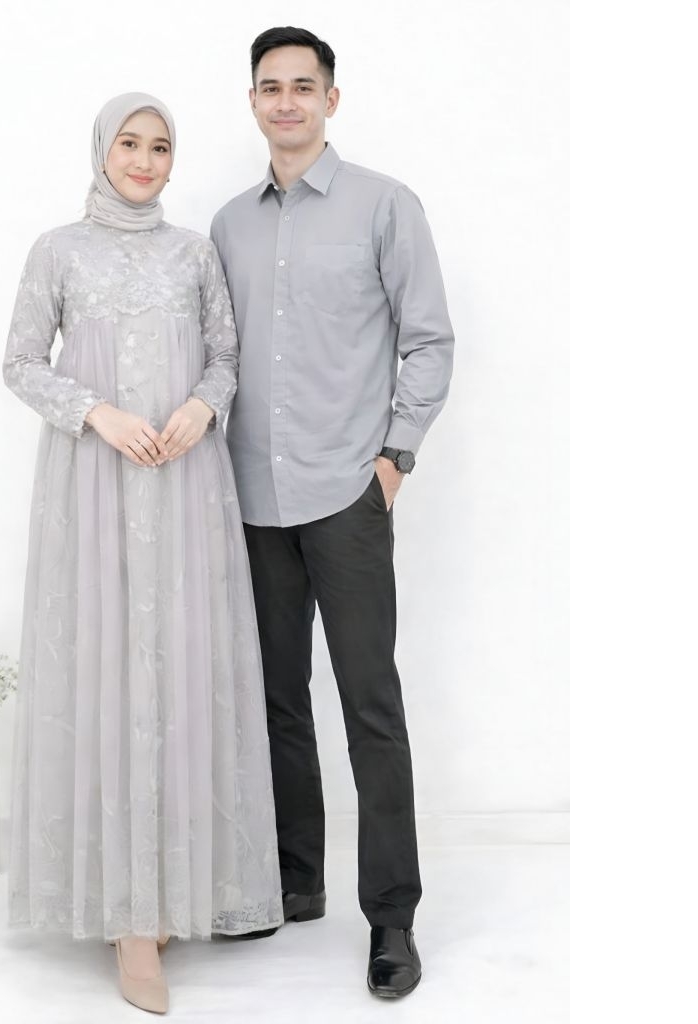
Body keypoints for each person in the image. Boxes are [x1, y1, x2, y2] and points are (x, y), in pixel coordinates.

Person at [2, 92, 283, 1015]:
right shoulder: (58, 250)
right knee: (108, 669)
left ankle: (166, 887)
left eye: (160, 147)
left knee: (178, 673)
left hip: (185, 485)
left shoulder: (194, 252)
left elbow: (226, 358)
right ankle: (127, 916)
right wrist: (98, 414)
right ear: (102, 150)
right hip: (93, 486)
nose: (145, 160)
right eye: (130, 143)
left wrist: (201, 407)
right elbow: (20, 362)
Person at [211, 27, 455, 999]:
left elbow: (428, 339)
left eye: (302, 87)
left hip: (347, 494)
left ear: (331, 100)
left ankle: (391, 918)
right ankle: (295, 879)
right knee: (275, 700)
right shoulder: (228, 224)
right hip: (252, 497)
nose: (286, 101)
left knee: (369, 706)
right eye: (269, 87)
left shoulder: (384, 205)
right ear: (253, 101)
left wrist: (393, 459)